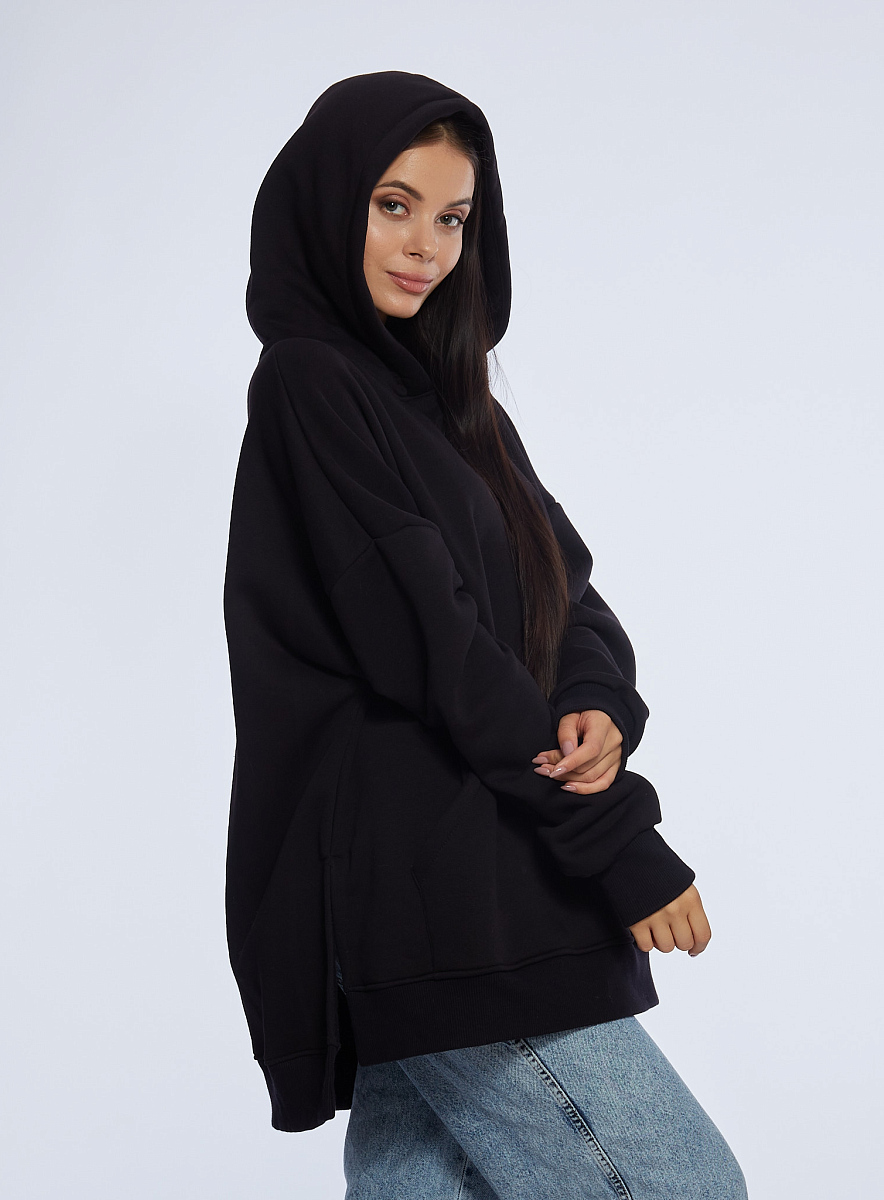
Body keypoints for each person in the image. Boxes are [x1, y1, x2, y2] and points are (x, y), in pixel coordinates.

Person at [223, 70, 748, 1198]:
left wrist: (597, 701)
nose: (427, 246)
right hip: (435, 895)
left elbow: (566, 591)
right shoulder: (311, 383)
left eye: (454, 217)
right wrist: (618, 843)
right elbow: (436, 646)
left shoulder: (457, 404)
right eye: (394, 205)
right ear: (329, 202)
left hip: (469, 878)